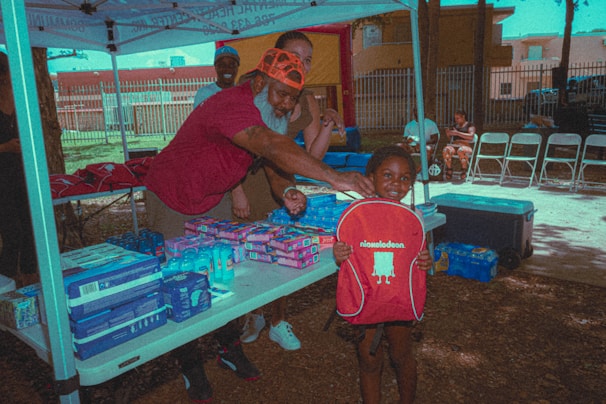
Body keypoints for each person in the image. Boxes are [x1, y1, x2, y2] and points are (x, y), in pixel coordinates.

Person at [144, 47, 374, 403]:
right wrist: (334, 177)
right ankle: (191, 366)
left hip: (212, 197)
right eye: (282, 95)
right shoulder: (231, 104)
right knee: (181, 280)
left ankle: (227, 347)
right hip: (172, 197)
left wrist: (289, 191)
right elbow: (269, 143)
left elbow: (273, 165)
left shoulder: (265, 116)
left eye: (292, 99)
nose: (285, 106)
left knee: (223, 275)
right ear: (260, 81)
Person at [238, 30, 346, 351]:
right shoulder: (255, 89)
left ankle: (276, 320)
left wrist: (326, 124)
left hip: (283, 182)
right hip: (245, 180)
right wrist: (235, 192)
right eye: (293, 56)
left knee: (281, 253)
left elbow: (310, 158)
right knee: (247, 252)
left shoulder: (308, 99)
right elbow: (230, 148)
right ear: (275, 56)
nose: (301, 63)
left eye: (307, 60)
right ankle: (252, 313)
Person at [333, 146, 433, 404]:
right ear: (371, 176)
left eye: (404, 178)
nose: (395, 184)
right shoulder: (357, 215)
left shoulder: (415, 218)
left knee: (401, 355)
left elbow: (421, 258)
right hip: (365, 297)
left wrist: (425, 260)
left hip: (398, 300)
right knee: (368, 359)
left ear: (411, 183)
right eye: (387, 175)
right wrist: (340, 253)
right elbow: (345, 251)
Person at [0, 52, 39, 288]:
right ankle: (5, 283)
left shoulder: (18, 100)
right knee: (13, 233)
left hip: (21, 175)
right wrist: (5, 147)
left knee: (30, 227)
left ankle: (29, 277)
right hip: (1, 179)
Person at [442, 109, 476, 181]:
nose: (456, 120)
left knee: (461, 150)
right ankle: (449, 169)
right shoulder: (454, 126)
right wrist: (448, 133)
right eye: (455, 118)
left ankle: (464, 169)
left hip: (466, 146)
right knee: (446, 150)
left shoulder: (470, 125)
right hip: (455, 145)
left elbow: (471, 136)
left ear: (463, 117)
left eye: (458, 118)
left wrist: (457, 133)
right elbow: (450, 137)